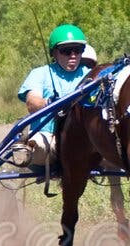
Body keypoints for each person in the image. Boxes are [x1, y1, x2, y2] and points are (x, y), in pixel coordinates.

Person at [7, 24, 92, 168]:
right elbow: (32, 103)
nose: (73, 55)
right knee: (38, 145)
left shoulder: (91, 74)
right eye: (66, 51)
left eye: (78, 50)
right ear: (54, 53)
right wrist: (49, 102)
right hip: (48, 136)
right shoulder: (40, 73)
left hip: (83, 138)